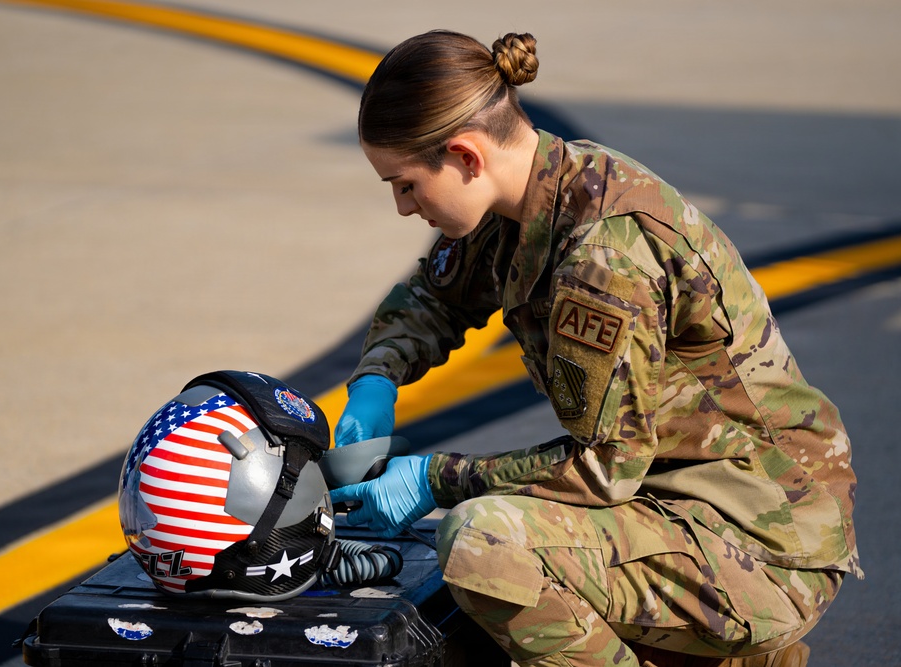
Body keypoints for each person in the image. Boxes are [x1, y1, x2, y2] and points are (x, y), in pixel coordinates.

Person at [328, 29, 862, 667]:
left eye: (407, 184)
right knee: (505, 530)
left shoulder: (604, 257)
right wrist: (377, 378)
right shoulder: (535, 189)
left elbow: (606, 467)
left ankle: (726, 645)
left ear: (466, 155)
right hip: (673, 498)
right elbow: (436, 297)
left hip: (758, 540)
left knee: (488, 544)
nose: (402, 206)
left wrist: (434, 480)